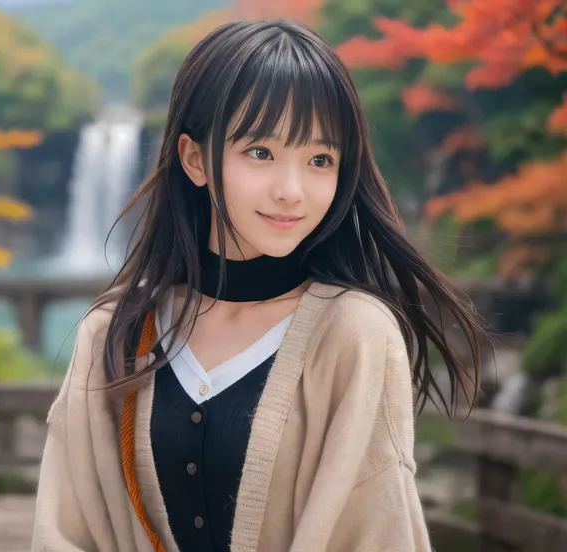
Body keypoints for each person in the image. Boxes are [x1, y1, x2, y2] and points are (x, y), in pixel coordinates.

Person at [32, 19, 484, 552]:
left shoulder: (353, 335)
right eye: (261, 153)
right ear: (195, 159)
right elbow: (63, 530)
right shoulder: (114, 331)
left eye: (320, 160)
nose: (291, 190)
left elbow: (379, 531)